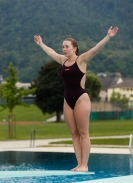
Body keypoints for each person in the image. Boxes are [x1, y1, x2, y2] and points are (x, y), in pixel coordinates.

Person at [34, 26, 118, 172]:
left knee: (83, 133)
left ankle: (85, 165)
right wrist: (41, 43)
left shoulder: (82, 60)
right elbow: (51, 52)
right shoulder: (63, 61)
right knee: (74, 133)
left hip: (81, 98)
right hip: (67, 99)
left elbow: (96, 49)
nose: (64, 49)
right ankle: (79, 164)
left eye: (66, 47)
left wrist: (108, 36)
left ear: (74, 48)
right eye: (63, 47)